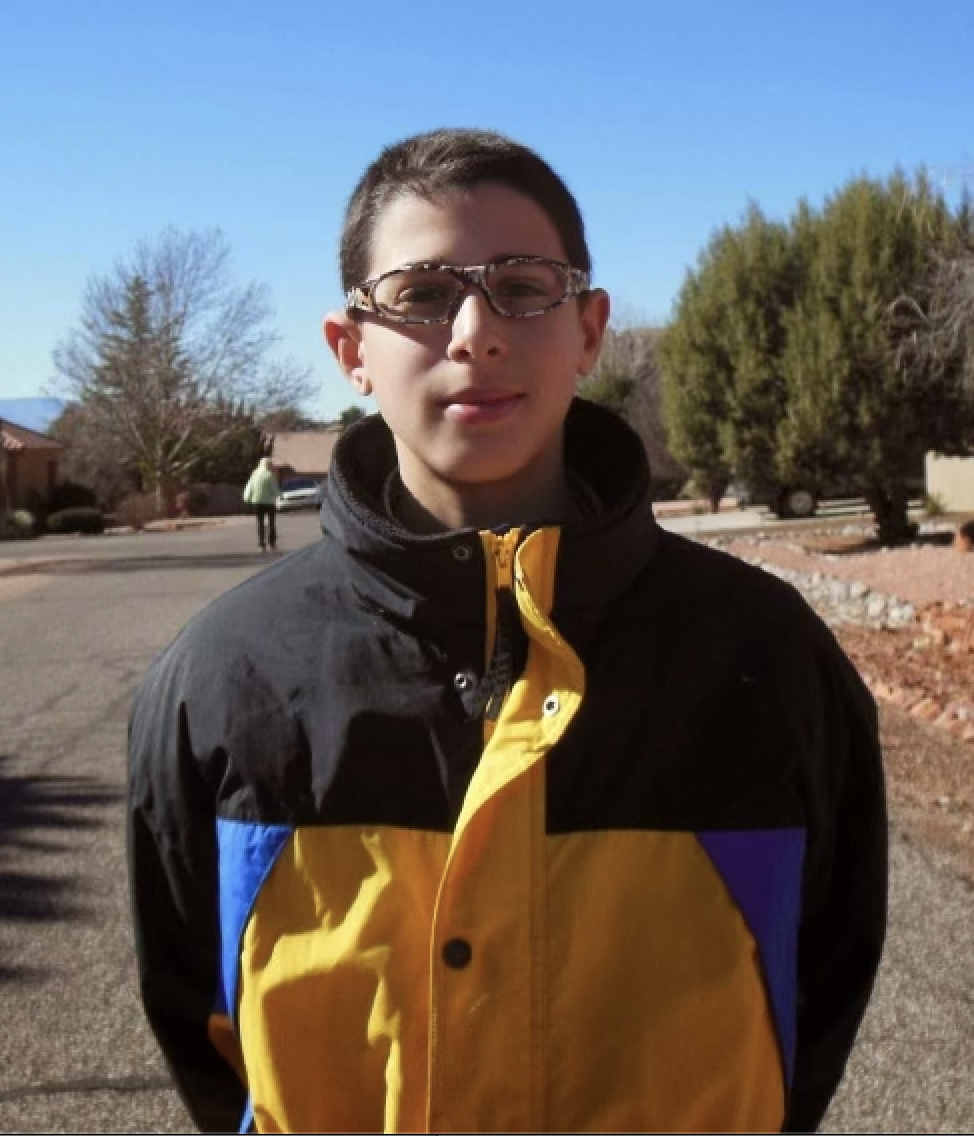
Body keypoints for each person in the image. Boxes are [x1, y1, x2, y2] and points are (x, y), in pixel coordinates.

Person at [127, 129, 887, 1134]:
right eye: (421, 293)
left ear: (586, 329)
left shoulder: (767, 656)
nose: (476, 331)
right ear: (350, 348)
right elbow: (205, 1032)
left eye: (522, 286)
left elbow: (813, 1000)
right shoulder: (223, 679)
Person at [241, 455, 279, 552]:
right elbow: (273, 488)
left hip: (257, 502)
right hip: (269, 502)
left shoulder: (255, 474)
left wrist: (246, 497)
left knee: (260, 523)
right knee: (271, 523)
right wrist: (279, 495)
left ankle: (261, 544)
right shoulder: (269, 475)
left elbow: (249, 486)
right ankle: (272, 543)